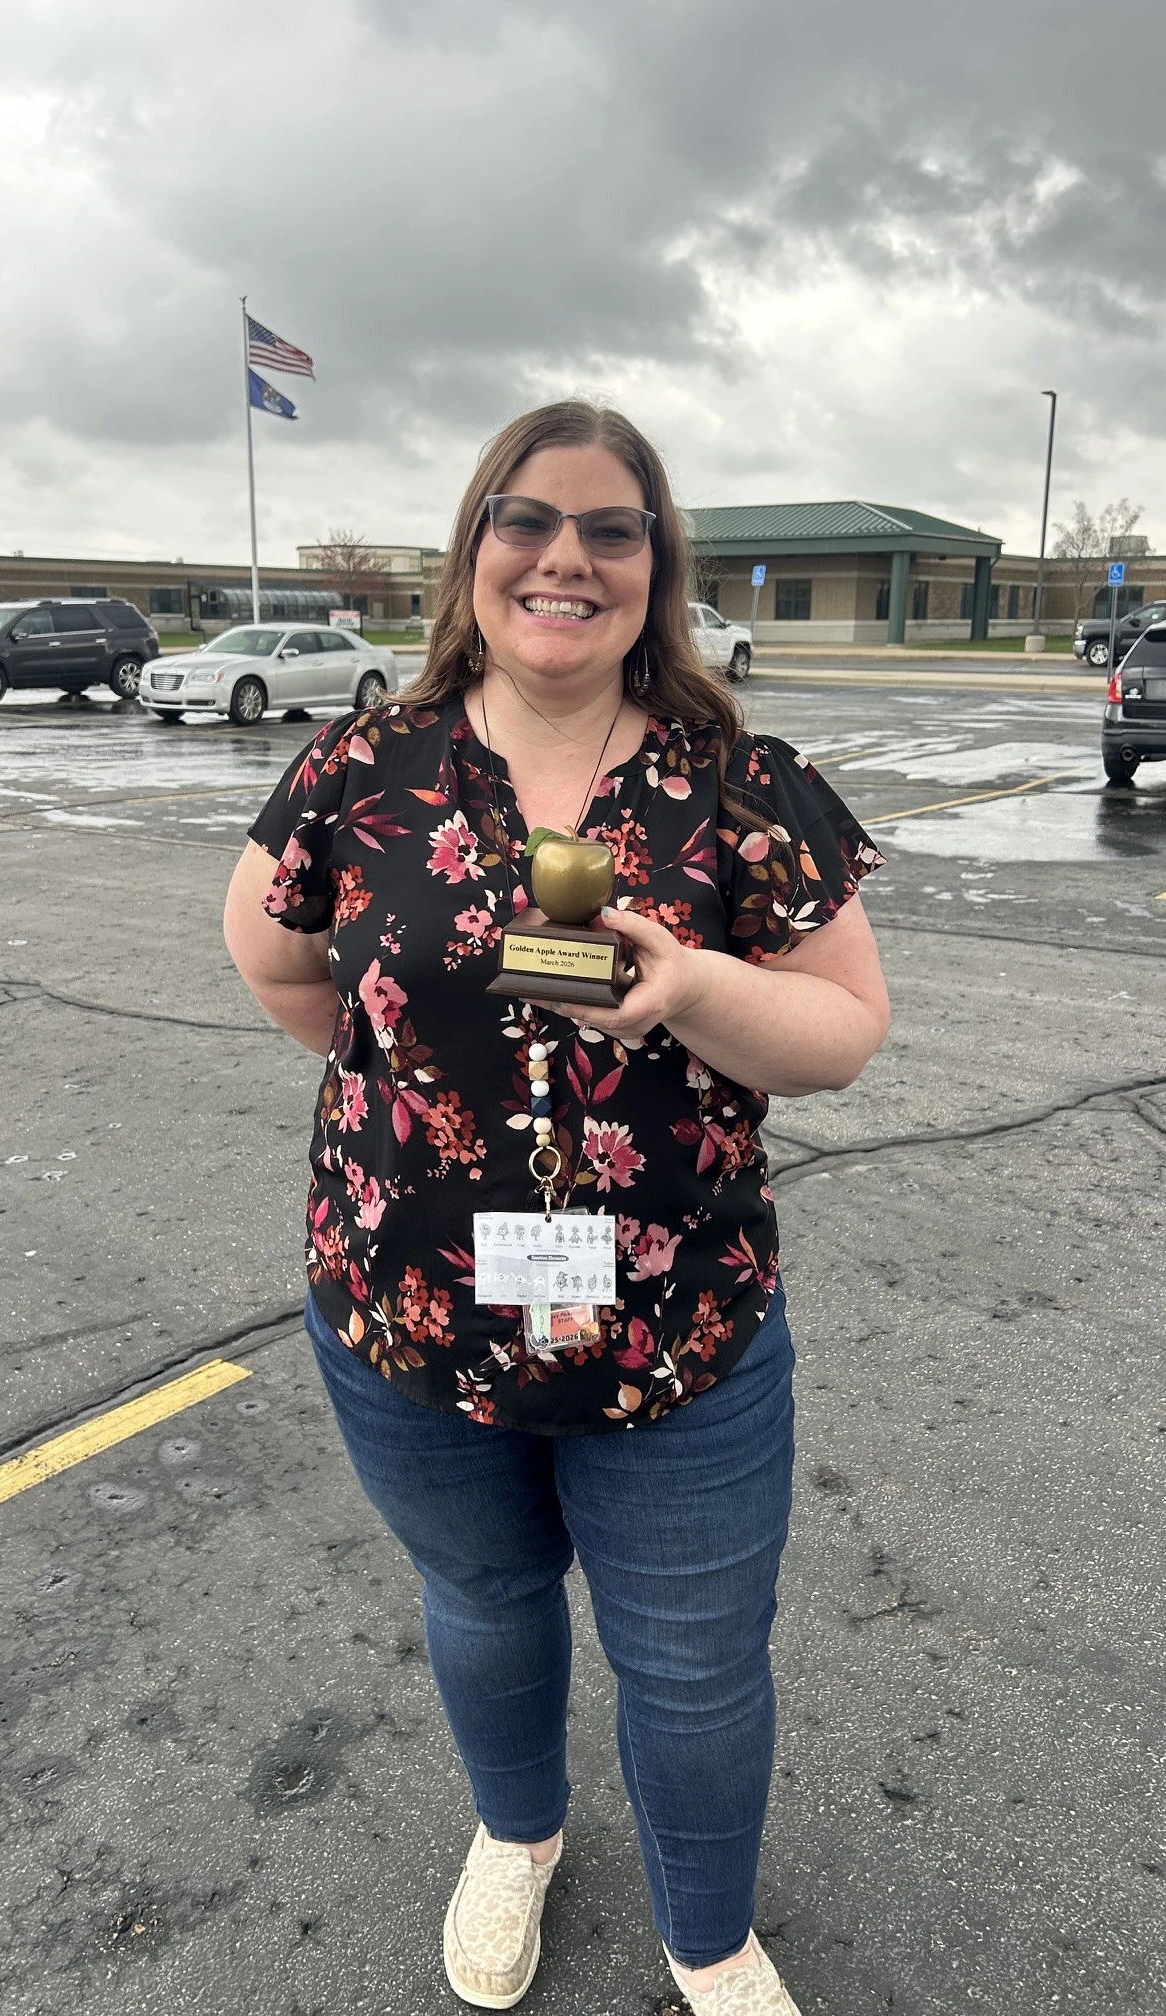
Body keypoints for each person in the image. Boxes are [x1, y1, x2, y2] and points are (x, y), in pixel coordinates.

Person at [224, 400, 889, 2014]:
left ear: (658, 565)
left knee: (696, 1665)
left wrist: (695, 990)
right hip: (408, 1310)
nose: (565, 557)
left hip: (678, 1326)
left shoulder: (742, 783)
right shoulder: (362, 769)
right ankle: (517, 1835)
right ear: (476, 549)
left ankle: (708, 1938)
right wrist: (424, 1104)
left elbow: (842, 1034)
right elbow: (280, 962)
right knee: (484, 1598)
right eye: (526, 519)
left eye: (611, 527)